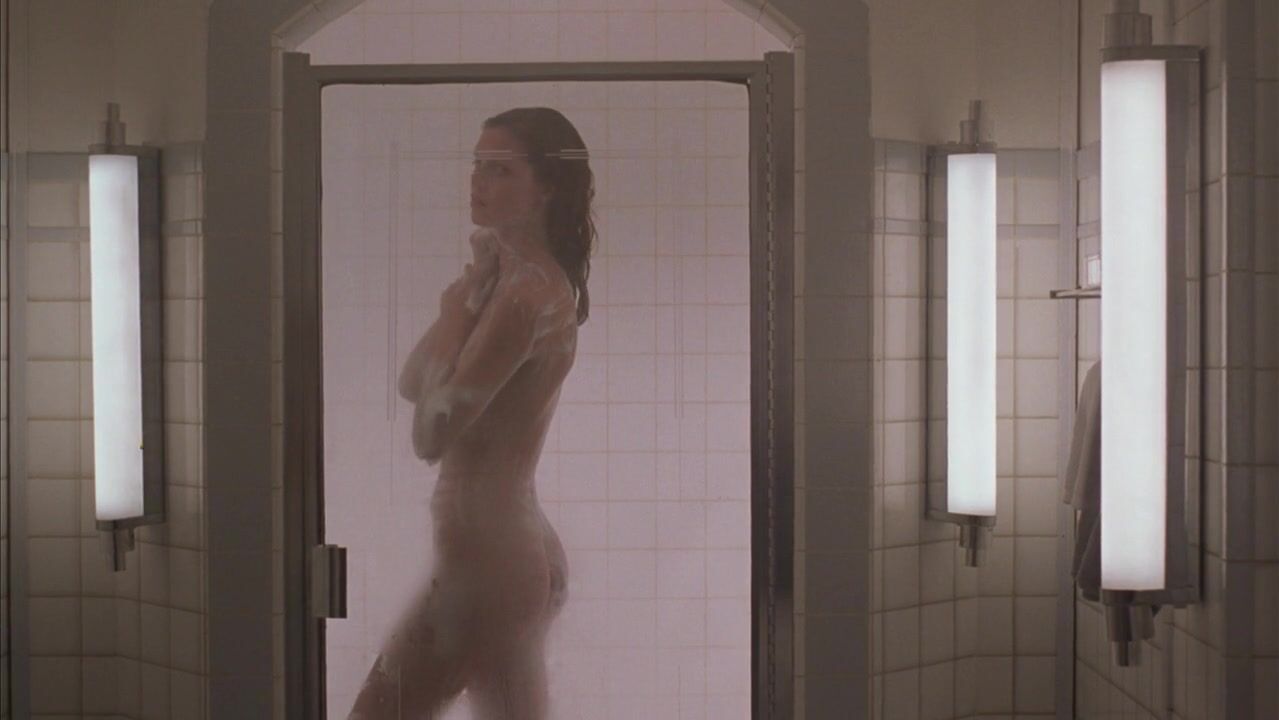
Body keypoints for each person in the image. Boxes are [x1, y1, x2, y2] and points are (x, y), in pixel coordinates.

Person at [349, 107, 596, 720]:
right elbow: (414, 382)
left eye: (500, 170)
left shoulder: (525, 296)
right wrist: (465, 301)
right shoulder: (510, 281)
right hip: (506, 557)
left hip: (488, 568)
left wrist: (457, 315)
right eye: (477, 165)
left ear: (546, 187)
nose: (477, 182)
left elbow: (431, 434)